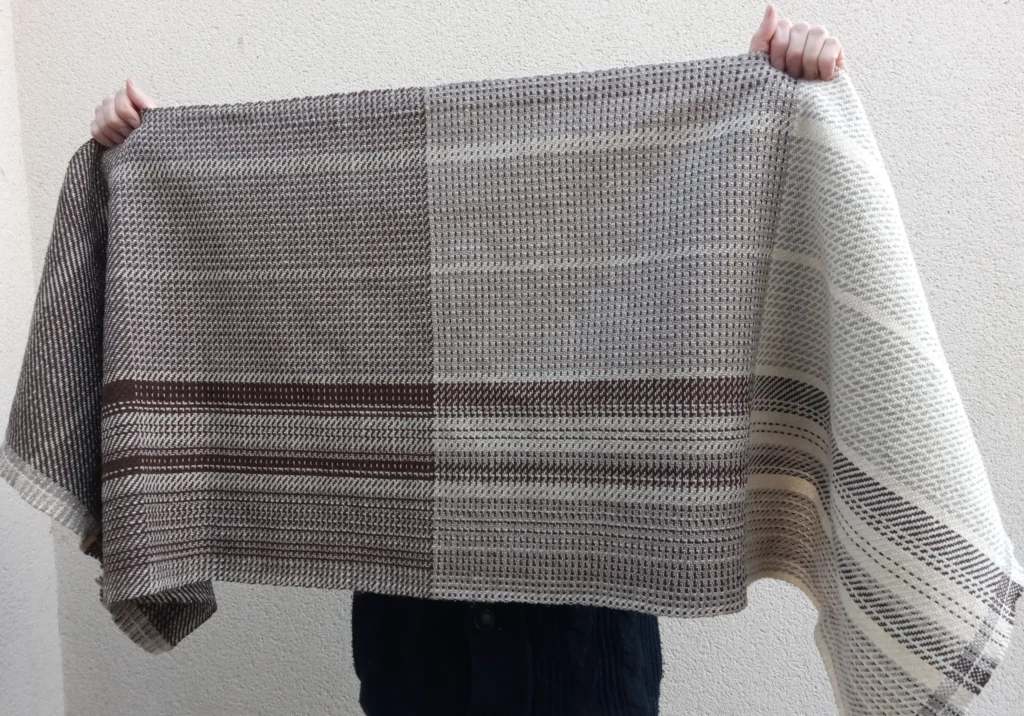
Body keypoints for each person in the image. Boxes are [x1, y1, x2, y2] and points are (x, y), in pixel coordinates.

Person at [87, 6, 844, 715]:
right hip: (413, 643)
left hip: (582, 639)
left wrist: (758, 107)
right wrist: (146, 163)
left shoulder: (611, 237)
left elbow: (711, 259)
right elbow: (260, 259)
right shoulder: (363, 232)